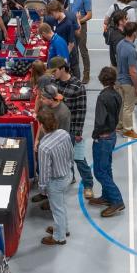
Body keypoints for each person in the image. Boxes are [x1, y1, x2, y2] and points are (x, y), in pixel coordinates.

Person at [51, 56, 95, 197]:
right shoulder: (54, 83)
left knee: (79, 158)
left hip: (71, 130)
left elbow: (81, 111)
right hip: (56, 129)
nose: (53, 74)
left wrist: (77, 132)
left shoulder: (77, 86)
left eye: (55, 71)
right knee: (62, 157)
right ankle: (71, 176)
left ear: (63, 69)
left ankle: (88, 185)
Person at [89, 66, 125, 218]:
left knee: (100, 171)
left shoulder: (103, 97)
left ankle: (117, 200)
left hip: (103, 138)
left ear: (101, 79)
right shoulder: (117, 94)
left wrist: (95, 135)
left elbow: (100, 120)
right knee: (107, 167)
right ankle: (106, 196)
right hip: (112, 135)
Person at [35, 108, 74, 246]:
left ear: (42, 125)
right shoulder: (64, 134)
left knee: (57, 209)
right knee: (61, 205)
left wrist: (42, 188)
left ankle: (59, 237)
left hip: (56, 182)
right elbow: (71, 153)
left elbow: (44, 172)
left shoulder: (44, 147)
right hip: (67, 175)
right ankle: (63, 229)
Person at [115, 23, 137, 138]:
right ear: (134, 33)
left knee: (121, 105)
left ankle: (119, 125)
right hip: (127, 83)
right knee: (128, 107)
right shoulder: (131, 50)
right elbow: (133, 72)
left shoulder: (120, 44)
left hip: (119, 80)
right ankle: (127, 130)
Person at [68, 0, 93, 83]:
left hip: (81, 25)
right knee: (73, 49)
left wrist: (78, 21)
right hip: (71, 25)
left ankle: (86, 74)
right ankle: (75, 72)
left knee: (83, 50)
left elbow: (89, 15)